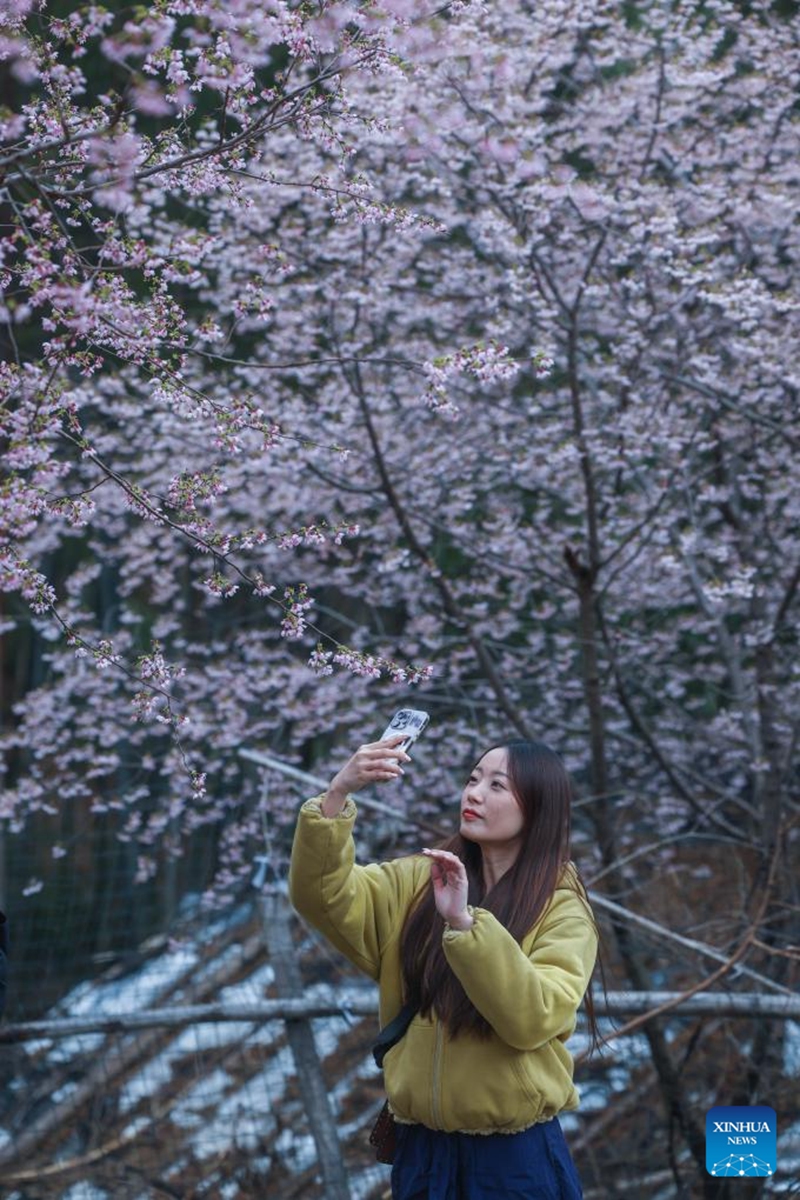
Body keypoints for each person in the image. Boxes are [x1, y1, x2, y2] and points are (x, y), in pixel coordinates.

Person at [289, 734, 599, 1199]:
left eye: (498, 786)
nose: (473, 793)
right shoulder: (423, 878)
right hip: (422, 1153)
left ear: (538, 808)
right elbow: (322, 896)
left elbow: (534, 1017)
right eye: (473, 779)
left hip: (511, 1158)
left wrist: (464, 923)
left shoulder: (562, 909)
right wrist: (337, 795)